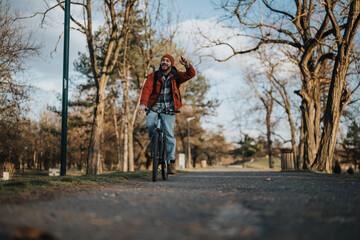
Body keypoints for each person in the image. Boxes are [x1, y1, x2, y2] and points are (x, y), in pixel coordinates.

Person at [138, 54, 196, 174]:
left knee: (169, 135)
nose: (164, 62)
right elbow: (147, 89)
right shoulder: (154, 76)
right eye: (163, 60)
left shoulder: (176, 75)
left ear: (171, 64)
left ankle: (170, 162)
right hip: (154, 107)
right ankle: (154, 144)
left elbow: (190, 74)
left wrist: (187, 65)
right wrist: (143, 104)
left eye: (167, 61)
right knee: (149, 125)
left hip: (169, 109)